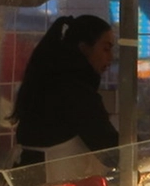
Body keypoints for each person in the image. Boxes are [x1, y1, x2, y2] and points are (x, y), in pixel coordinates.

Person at [9, 15, 118, 177]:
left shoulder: (50, 80)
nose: (110, 58)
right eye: (106, 49)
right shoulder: (75, 91)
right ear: (84, 48)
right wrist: (147, 158)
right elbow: (110, 150)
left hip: (32, 182)